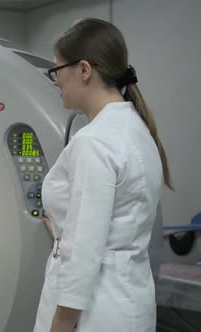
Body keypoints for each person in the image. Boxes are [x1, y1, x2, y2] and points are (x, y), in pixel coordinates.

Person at [33, 18, 172, 332]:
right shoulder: (137, 130)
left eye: (56, 70)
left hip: (94, 312)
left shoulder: (93, 142)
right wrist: (63, 229)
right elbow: (117, 219)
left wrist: (59, 327)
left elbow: (85, 254)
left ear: (83, 70)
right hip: (128, 301)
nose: (54, 80)